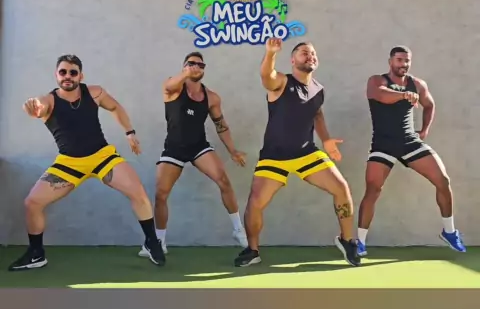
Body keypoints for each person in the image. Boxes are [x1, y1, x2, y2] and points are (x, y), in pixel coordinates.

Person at [8, 54, 165, 271]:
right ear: (56, 75)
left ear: (81, 76)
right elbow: (39, 105)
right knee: (32, 203)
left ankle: (151, 242)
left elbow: (115, 107)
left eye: (73, 72)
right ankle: (36, 254)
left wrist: (129, 132)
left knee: (138, 193)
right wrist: (33, 106)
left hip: (102, 157)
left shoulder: (94, 92)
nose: (67, 76)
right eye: (63, 72)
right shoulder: (49, 100)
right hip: (69, 164)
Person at [234, 39, 361, 268]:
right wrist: (270, 53)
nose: (310, 56)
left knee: (341, 188)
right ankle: (252, 250)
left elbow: (317, 114)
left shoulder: (318, 89)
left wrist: (326, 140)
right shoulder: (282, 82)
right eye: (304, 53)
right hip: (274, 156)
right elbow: (266, 77)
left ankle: (348, 240)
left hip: (306, 153)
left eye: (313, 53)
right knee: (256, 202)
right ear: (293, 60)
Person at [356, 45, 466, 256]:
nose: (403, 64)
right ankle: (360, 241)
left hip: (409, 142)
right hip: (383, 144)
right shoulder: (376, 81)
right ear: (390, 61)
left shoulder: (417, 84)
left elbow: (429, 105)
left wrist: (424, 130)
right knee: (373, 189)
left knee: (443, 181)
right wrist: (404, 95)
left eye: (407, 61)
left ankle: (450, 232)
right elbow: (381, 95)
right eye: (399, 60)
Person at [138, 51, 248, 256]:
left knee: (224, 180)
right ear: (183, 67)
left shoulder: (211, 97)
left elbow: (221, 125)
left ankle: (238, 229)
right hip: (174, 148)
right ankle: (158, 242)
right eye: (191, 63)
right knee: (161, 194)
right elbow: (169, 85)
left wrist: (232, 150)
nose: (196, 67)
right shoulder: (173, 88)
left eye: (200, 65)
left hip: (199, 147)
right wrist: (186, 73)